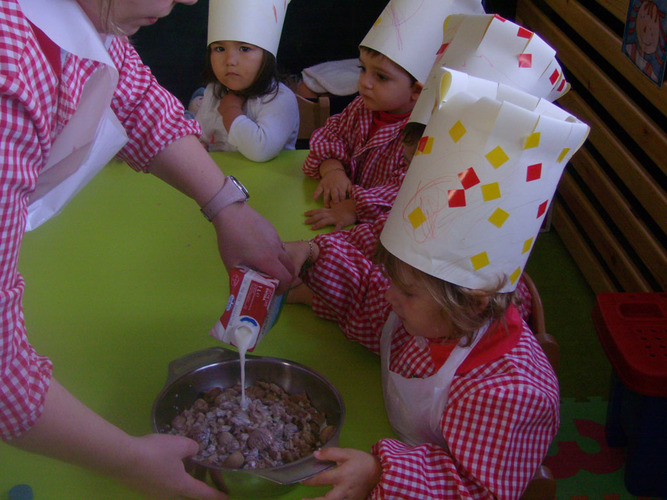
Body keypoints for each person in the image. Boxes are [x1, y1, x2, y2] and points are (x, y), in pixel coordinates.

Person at [0, 0, 295, 498]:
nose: (186, 1)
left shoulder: (88, 15)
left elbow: (132, 96)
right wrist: (130, 460)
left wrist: (228, 206)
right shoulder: (9, 75)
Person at [286, 74, 589, 497]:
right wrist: (314, 260)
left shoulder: (512, 395)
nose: (391, 296)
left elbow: (474, 488)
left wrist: (379, 474)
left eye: (406, 292)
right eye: (395, 282)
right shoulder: (430, 313)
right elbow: (370, 301)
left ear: (475, 301)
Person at [301, 0, 484, 231]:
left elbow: (407, 189)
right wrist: (332, 169)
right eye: (363, 69)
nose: (364, 82)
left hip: (382, 228)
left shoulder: (421, 135)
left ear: (417, 91)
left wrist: (353, 207)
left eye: (381, 77)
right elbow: (331, 134)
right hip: (338, 211)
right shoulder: (360, 107)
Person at [194, 0, 299, 162]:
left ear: (267, 56)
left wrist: (231, 110)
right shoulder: (213, 91)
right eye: (220, 49)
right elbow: (201, 135)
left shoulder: (281, 98)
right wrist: (198, 144)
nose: (230, 60)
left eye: (244, 49)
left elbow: (261, 150)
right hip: (219, 179)